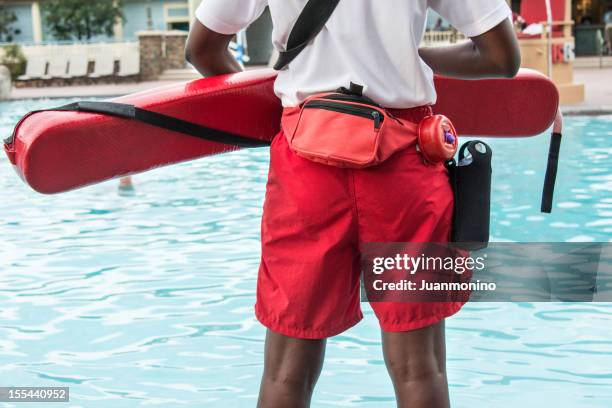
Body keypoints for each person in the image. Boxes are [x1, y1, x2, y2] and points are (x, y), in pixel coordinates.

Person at [186, 1, 520, 407]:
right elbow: (502, 57)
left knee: (285, 373)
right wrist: (409, 56)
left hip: (306, 166)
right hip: (404, 165)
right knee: (420, 367)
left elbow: (202, 49)